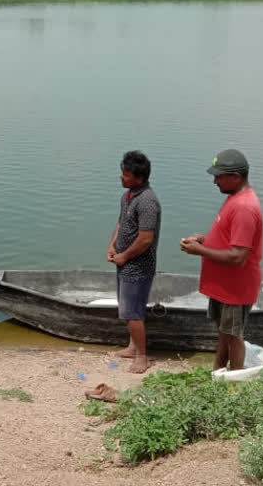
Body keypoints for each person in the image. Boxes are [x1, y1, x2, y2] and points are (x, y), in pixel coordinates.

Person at [181, 149, 263, 371]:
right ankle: (218, 372)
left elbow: (238, 256)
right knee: (224, 332)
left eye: (219, 176)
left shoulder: (244, 207)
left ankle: (234, 380)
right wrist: (205, 240)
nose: (215, 181)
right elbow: (231, 241)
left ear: (235, 177)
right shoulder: (234, 199)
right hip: (225, 285)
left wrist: (200, 251)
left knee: (233, 335)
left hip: (236, 287)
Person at [106, 151, 161, 374]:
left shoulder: (147, 201)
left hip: (139, 266)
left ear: (139, 178)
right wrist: (112, 246)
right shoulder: (128, 196)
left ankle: (142, 356)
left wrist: (125, 256)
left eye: (125, 174)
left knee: (132, 312)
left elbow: (145, 239)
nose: (121, 177)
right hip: (124, 262)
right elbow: (122, 224)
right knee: (128, 308)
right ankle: (132, 347)